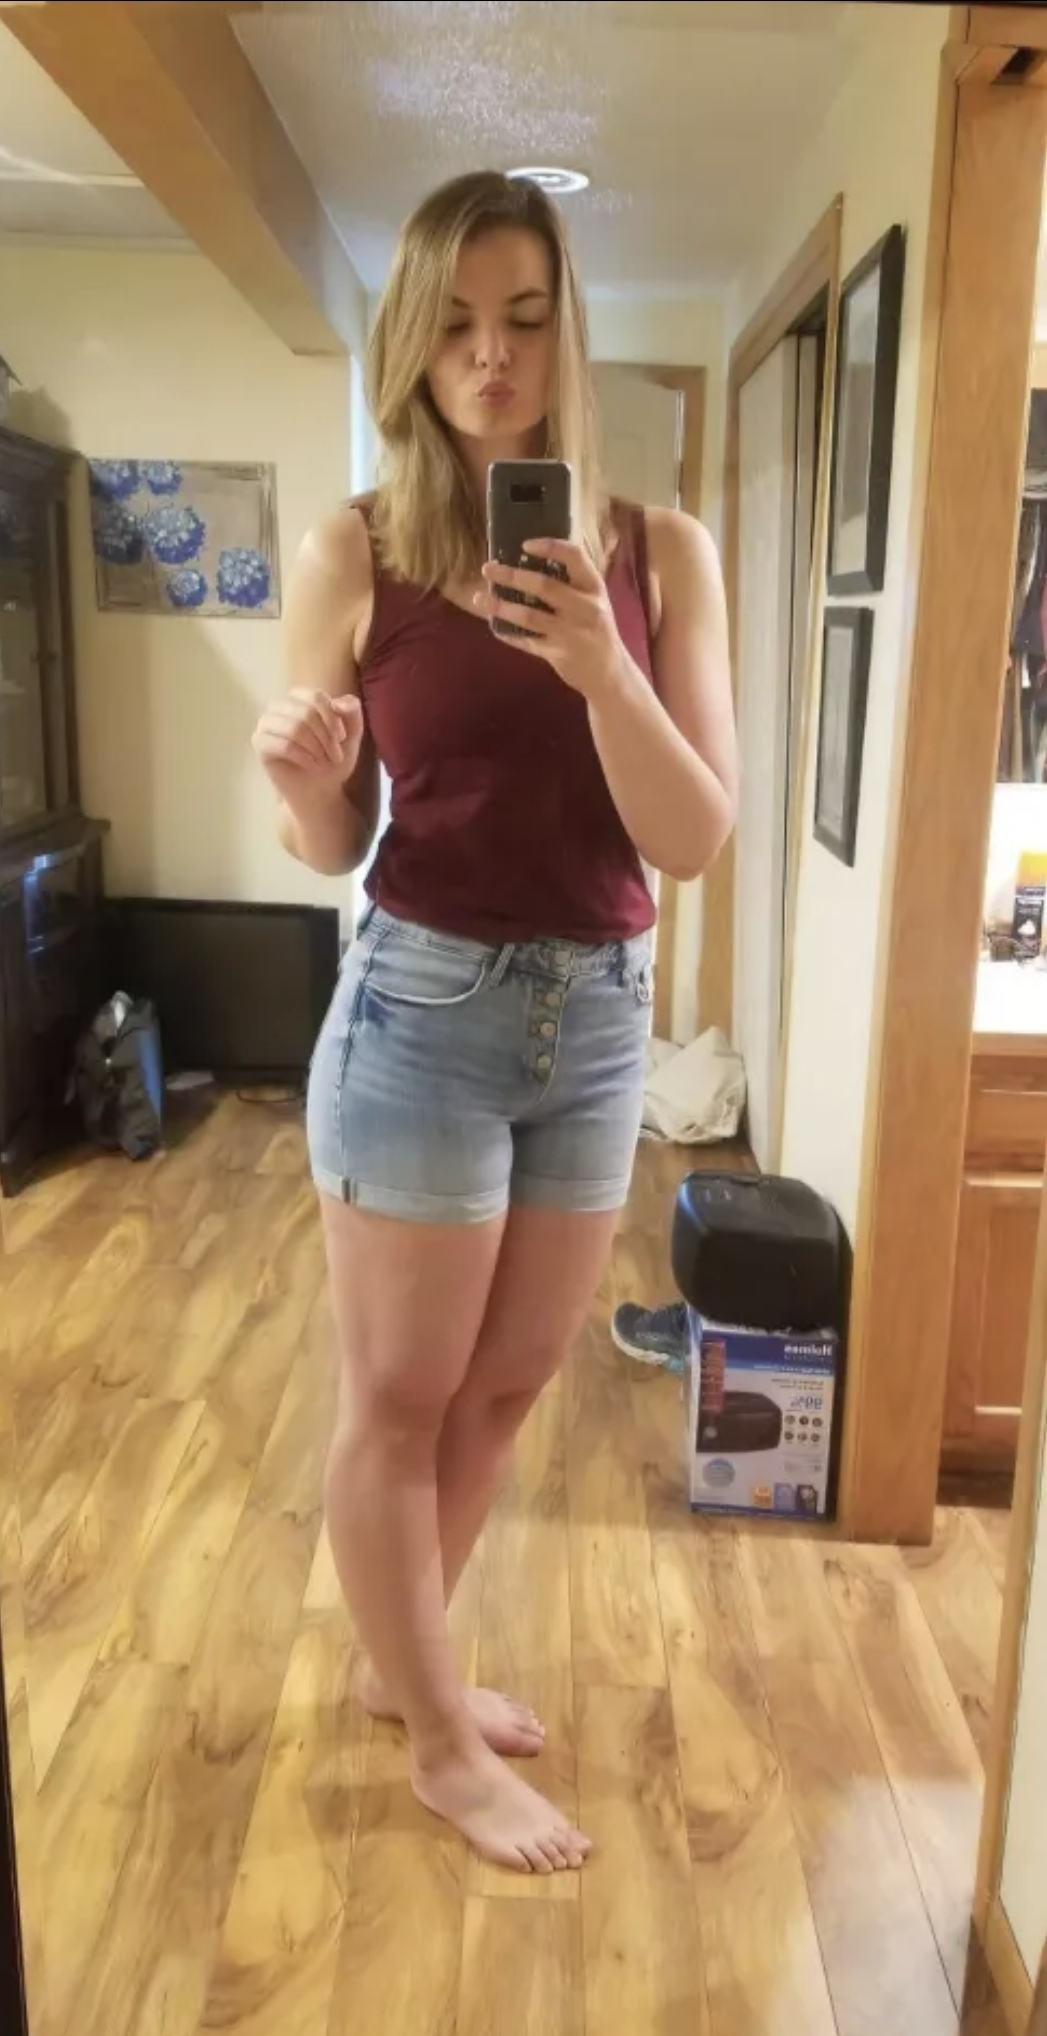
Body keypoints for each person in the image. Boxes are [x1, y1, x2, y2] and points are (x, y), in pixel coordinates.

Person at [251, 170, 736, 1875]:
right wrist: (304, 784)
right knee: (400, 1393)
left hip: (598, 1021)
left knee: (513, 1381)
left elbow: (692, 837)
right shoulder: (357, 550)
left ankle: (404, 1667)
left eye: (525, 320)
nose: (491, 357)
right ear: (412, 342)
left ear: (566, 332)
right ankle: (442, 1741)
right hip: (422, 1010)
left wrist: (605, 666)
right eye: (456, 325)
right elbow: (331, 843)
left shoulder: (661, 556)